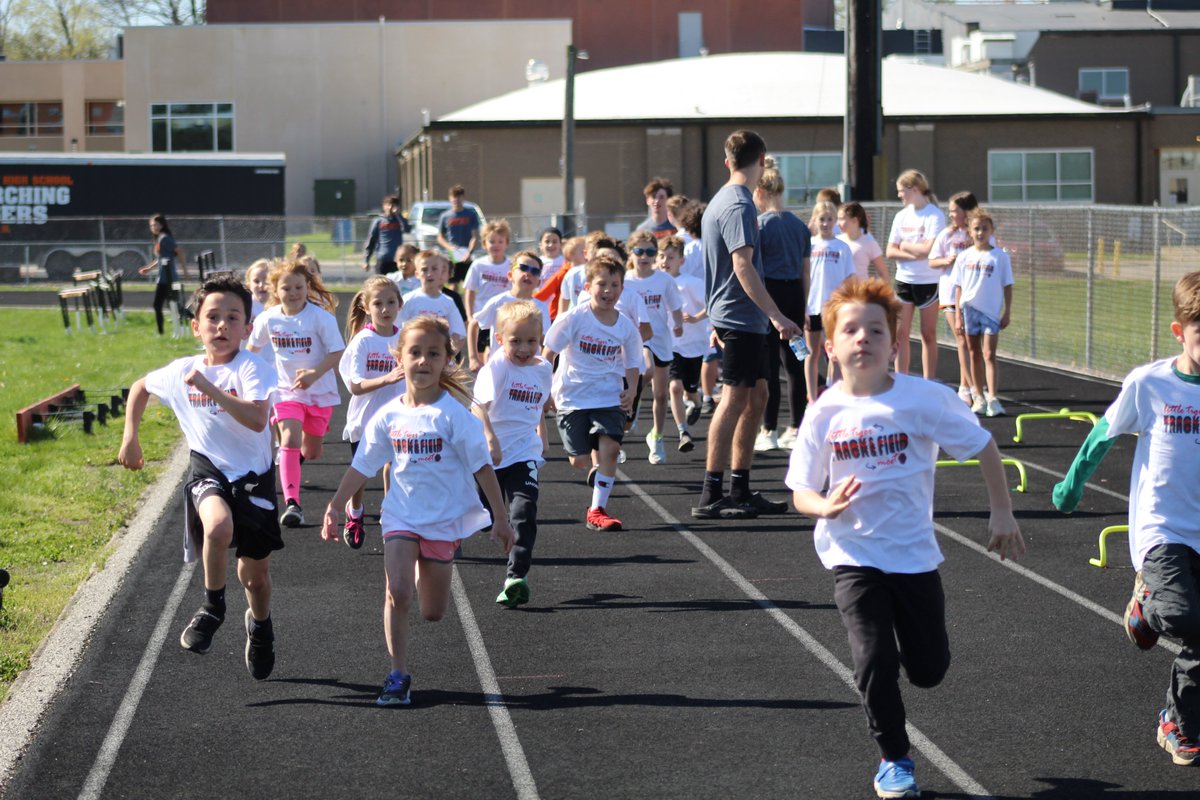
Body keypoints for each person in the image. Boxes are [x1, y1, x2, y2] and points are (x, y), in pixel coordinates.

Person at [786, 277, 1024, 799]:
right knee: (872, 660)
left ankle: (909, 665)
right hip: (853, 555)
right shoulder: (824, 412)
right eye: (851, 330)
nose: (863, 338)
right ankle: (894, 759)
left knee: (929, 669)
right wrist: (824, 505)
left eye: (875, 329)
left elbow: (983, 446)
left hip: (914, 558)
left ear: (894, 343)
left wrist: (1002, 512)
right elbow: (801, 488)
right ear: (832, 346)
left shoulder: (924, 399)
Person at [321, 316, 514, 707]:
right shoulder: (388, 415)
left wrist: (501, 518)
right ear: (399, 357)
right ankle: (397, 674)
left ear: (446, 360)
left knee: (433, 612)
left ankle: (424, 574)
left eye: (433, 354)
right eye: (415, 353)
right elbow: (363, 465)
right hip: (401, 516)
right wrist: (335, 505)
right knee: (398, 592)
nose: (423, 361)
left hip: (442, 520)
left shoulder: (455, 416)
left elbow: (482, 467)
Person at [1052, 270, 1200, 768]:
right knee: (1181, 616)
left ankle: (1177, 724)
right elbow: (1102, 434)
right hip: (1164, 531)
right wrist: (1070, 488)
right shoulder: (1150, 384)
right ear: (1179, 332)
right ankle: (1147, 603)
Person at [118, 274, 281, 679]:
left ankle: (260, 626)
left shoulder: (251, 368)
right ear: (196, 326)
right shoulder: (182, 370)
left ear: (247, 327)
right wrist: (130, 438)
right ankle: (212, 608)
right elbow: (140, 387)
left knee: (255, 577)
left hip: (254, 480)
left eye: (232, 318)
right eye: (212, 317)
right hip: (208, 470)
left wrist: (210, 388)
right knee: (218, 525)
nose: (221, 326)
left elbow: (258, 419)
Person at [694, 129, 801, 520]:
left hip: (742, 317)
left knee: (760, 397)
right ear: (762, 159)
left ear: (728, 161)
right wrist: (778, 316)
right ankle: (711, 493)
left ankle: (739, 487)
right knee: (735, 399)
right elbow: (740, 265)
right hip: (741, 317)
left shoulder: (727, 200)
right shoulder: (738, 204)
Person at [543, 254, 642, 531]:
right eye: (602, 284)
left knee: (610, 450)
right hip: (572, 397)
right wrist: (544, 388)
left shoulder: (625, 326)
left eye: (614, 284)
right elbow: (548, 353)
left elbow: (633, 362)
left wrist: (631, 389)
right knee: (579, 460)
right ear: (587, 287)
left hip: (609, 396)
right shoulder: (574, 318)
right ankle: (594, 468)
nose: (608, 291)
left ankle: (597, 509)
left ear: (622, 288)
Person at [248, 260, 345, 527]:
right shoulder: (269, 318)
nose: (293, 293)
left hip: (319, 392)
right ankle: (293, 504)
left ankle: (296, 460)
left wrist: (315, 373)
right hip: (285, 391)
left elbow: (337, 352)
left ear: (307, 287)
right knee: (289, 439)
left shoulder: (321, 318)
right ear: (275, 290)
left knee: (311, 452)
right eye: (286, 288)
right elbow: (252, 350)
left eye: (298, 287)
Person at [473, 301, 554, 608]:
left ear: (541, 339)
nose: (524, 348)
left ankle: (515, 577)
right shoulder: (497, 368)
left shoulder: (544, 369)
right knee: (481, 515)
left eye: (531, 341)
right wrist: (490, 438)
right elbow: (477, 406)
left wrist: (542, 437)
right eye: (515, 341)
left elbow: (538, 407)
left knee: (524, 513)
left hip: (524, 455)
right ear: (499, 339)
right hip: (489, 458)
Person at [338, 277, 406, 548]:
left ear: (400, 305)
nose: (385, 309)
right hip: (364, 420)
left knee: (395, 465)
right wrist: (387, 378)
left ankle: (391, 511)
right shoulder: (362, 342)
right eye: (378, 303)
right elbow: (355, 386)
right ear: (367, 307)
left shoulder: (404, 338)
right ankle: (355, 512)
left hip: (398, 418)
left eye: (391, 302)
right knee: (362, 474)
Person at [753, 157, 810, 453]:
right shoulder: (800, 226)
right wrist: (805, 306)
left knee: (770, 367)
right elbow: (805, 272)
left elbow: (754, 267)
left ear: (761, 192)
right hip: (794, 296)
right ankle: (796, 427)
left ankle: (769, 429)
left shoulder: (760, 225)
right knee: (795, 366)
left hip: (770, 295)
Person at [623, 230, 684, 464]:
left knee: (660, 393)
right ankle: (621, 429)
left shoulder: (664, 280)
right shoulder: (625, 280)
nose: (645, 256)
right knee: (636, 379)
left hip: (660, 339)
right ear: (631, 253)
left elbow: (675, 306)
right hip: (632, 340)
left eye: (650, 252)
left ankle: (657, 436)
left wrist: (678, 323)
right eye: (640, 251)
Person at [950, 211, 1013, 417]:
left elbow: (1007, 285)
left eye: (985, 229)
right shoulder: (964, 257)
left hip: (991, 312)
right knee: (974, 353)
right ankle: (978, 395)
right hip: (969, 310)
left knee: (989, 354)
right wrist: (958, 315)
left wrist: (1007, 311)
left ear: (991, 231)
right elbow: (958, 287)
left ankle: (993, 397)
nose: (980, 233)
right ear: (969, 231)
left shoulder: (999, 256)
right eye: (976, 229)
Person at [886, 170, 946, 379]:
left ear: (914, 190)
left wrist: (904, 245)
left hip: (928, 281)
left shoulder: (935, 215)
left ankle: (929, 381)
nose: (899, 196)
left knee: (927, 333)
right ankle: (900, 378)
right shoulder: (901, 216)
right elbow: (890, 251)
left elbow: (928, 250)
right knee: (900, 333)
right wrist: (912, 251)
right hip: (904, 281)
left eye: (901, 191)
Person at [928, 192, 981, 405]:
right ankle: (974, 389)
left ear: (967, 212)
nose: (950, 215)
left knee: (972, 344)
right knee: (961, 341)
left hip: (974, 294)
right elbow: (932, 261)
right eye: (949, 210)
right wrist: (945, 260)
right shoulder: (947, 235)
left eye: (954, 211)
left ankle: (966, 386)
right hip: (951, 293)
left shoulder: (979, 233)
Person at [658, 235, 707, 452]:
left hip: (694, 344)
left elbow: (713, 304)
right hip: (670, 345)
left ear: (681, 261)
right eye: (661, 256)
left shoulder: (692, 283)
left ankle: (697, 402)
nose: (665, 261)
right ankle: (683, 431)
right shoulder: (655, 283)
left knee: (690, 389)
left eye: (670, 257)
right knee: (675, 387)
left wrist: (696, 318)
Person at [806, 199, 856, 404]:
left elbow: (849, 279)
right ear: (815, 220)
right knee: (811, 353)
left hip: (834, 309)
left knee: (835, 354)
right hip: (812, 307)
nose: (825, 223)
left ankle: (834, 393)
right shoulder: (808, 246)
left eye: (829, 219)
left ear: (835, 220)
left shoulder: (842, 247)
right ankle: (811, 398)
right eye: (821, 219)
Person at [467, 251, 552, 371]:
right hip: (499, 368)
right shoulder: (498, 301)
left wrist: (542, 366)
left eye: (535, 271)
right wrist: (473, 358)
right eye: (523, 268)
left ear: (538, 282)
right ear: (510, 275)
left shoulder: (541, 307)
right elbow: (474, 324)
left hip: (528, 369)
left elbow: (546, 341)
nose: (528, 273)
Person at [398, 250, 468, 355]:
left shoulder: (448, 302)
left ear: (441, 272)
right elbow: (394, 330)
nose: (429, 274)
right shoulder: (409, 299)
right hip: (413, 358)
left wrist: (448, 357)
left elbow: (459, 335)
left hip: (439, 360)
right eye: (424, 270)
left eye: (434, 269)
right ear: (417, 274)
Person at [463, 219, 513, 356]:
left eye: (500, 241)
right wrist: (469, 315)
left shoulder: (512, 265)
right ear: (484, 244)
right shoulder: (478, 265)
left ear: (506, 243)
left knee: (495, 351)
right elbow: (470, 290)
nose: (496, 245)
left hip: (505, 316)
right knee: (480, 353)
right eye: (492, 241)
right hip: (483, 315)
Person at [138, 214, 186, 336]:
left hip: (168, 279)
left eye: (155, 224)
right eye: (151, 225)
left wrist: (185, 270)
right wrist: (148, 269)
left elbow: (179, 251)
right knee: (172, 304)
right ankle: (164, 330)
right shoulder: (159, 239)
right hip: (163, 278)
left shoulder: (165, 238)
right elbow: (160, 259)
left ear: (162, 225)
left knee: (165, 304)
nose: (153, 227)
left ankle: (161, 332)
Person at [558, 231, 615, 316]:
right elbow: (564, 298)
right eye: (594, 253)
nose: (598, 257)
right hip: (579, 320)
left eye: (601, 254)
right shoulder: (574, 274)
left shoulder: (614, 275)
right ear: (585, 254)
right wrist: (560, 318)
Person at [436, 184, 482, 281]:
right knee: (453, 283)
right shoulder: (445, 216)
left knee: (468, 282)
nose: (456, 199)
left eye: (459, 196)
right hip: (452, 255)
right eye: (454, 196)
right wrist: (449, 247)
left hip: (467, 255)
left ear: (463, 197)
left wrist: (469, 252)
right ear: (450, 198)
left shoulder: (471, 215)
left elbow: (475, 236)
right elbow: (440, 237)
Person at [243, 259, 277, 389]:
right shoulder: (245, 307)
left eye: (267, 281)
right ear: (248, 285)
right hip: (252, 363)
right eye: (256, 281)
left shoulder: (281, 307)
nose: (262, 285)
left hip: (276, 365)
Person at [535, 235, 585, 322]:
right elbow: (544, 293)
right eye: (582, 252)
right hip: (559, 316)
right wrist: (528, 301)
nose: (586, 253)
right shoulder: (564, 273)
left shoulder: (588, 272)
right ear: (571, 255)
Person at [837, 202, 888, 283]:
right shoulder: (836, 241)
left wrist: (880, 293)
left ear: (855, 220)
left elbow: (883, 273)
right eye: (838, 219)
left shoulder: (869, 242)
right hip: (838, 293)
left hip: (859, 292)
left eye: (841, 219)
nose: (838, 223)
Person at [363, 195, 407, 276]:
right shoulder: (379, 221)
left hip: (396, 260)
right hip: (382, 259)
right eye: (389, 205)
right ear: (384, 206)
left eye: (394, 205)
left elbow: (407, 229)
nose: (391, 208)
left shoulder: (399, 220)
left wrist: (398, 215)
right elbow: (371, 240)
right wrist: (366, 260)